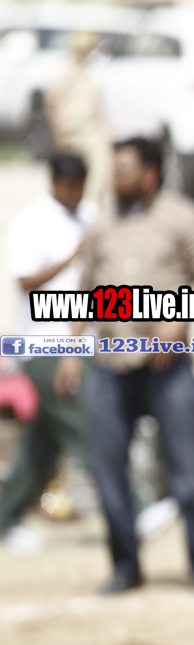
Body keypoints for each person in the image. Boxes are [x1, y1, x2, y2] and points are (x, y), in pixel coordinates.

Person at [55, 137, 194, 594]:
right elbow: (85, 292)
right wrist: (70, 353)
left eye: (124, 169)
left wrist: (177, 321)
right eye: (114, 168)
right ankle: (125, 566)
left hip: (168, 366)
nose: (116, 177)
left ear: (151, 173)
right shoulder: (100, 224)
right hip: (110, 365)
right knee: (107, 471)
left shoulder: (182, 217)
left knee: (187, 473)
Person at [0, 154, 97, 554]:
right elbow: (24, 281)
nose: (74, 194)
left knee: (42, 444)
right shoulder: (30, 221)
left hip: (88, 340)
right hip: (44, 343)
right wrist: (72, 257)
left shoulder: (92, 216)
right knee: (85, 425)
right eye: (68, 185)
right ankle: (136, 508)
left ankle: (4, 518)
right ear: (54, 181)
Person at [45, 31, 113, 209]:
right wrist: (59, 134)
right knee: (71, 172)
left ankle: (94, 206)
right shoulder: (65, 72)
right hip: (72, 130)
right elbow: (52, 104)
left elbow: (96, 104)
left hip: (91, 128)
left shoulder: (89, 71)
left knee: (101, 168)